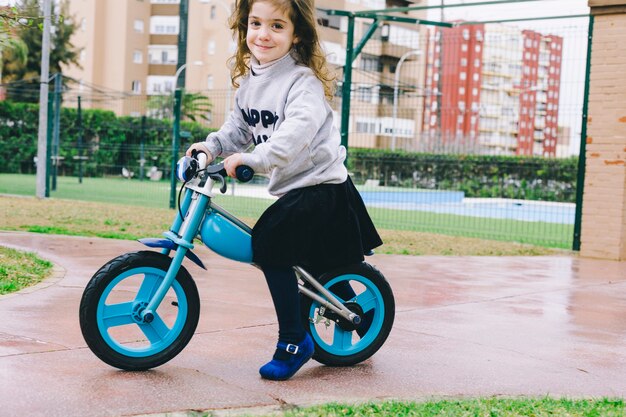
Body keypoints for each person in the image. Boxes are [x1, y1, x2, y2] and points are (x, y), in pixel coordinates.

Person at [186, 0, 382, 381]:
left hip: (321, 187)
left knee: (271, 246)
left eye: (277, 26)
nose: (263, 34)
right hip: (296, 190)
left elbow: (296, 133)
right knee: (311, 268)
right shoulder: (249, 83)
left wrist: (255, 160)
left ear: (296, 35)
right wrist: (209, 147)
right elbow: (236, 130)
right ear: (244, 27)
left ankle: (294, 341)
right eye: (256, 23)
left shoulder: (302, 81)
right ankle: (355, 313)